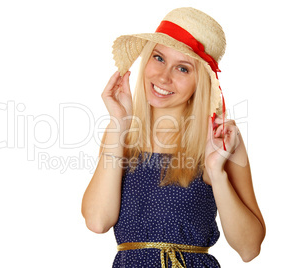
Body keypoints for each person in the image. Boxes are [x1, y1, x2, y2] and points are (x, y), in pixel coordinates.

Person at [81, 7, 265, 268]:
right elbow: (97, 221)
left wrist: (217, 173)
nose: (163, 77)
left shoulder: (220, 140)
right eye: (158, 58)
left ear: (200, 82)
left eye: (182, 68)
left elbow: (249, 249)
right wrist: (119, 123)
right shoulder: (121, 135)